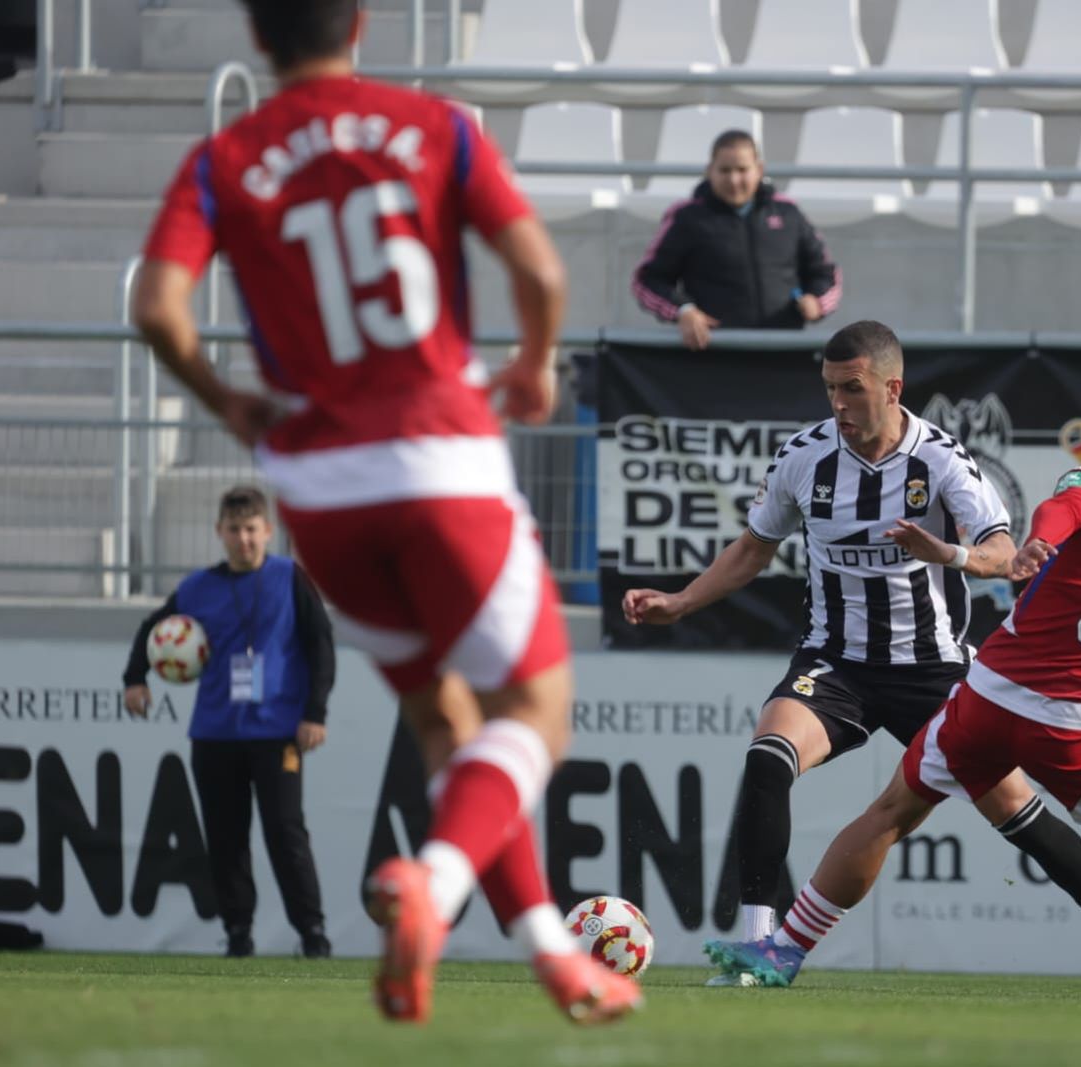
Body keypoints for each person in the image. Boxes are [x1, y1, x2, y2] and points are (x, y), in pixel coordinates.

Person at [131, 0, 638, 1026]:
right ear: (360, 21)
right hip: (438, 458)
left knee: (449, 728)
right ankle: (434, 887)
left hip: (320, 496)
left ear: (257, 34)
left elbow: (156, 306)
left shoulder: (221, 158)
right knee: (532, 711)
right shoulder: (434, 125)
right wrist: (535, 363)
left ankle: (552, 953)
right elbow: (538, 268)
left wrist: (222, 395)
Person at [624, 321, 1081, 995]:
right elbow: (752, 549)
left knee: (1015, 812)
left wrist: (949, 554)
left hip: (936, 671)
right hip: (837, 664)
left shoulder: (941, 460)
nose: (839, 405)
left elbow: (1003, 551)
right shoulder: (804, 457)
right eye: (828, 389)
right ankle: (756, 947)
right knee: (768, 755)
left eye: (852, 389)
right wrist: (679, 603)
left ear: (891, 386)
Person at [704, 393, 1081, 1004]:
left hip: (987, 697)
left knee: (890, 813)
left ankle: (786, 948)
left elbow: (1063, 509)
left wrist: (1038, 545)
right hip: (1075, 724)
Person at [123, 485, 333, 960]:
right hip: (215, 733)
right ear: (219, 532)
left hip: (278, 731)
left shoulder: (289, 578)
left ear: (268, 531)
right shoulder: (198, 588)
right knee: (225, 836)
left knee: (285, 830)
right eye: (234, 530)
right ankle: (238, 931)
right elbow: (151, 629)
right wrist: (135, 678)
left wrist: (314, 713)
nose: (244, 539)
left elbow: (321, 645)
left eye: (252, 530)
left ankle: (313, 933)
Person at [632, 129, 841, 350]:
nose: (733, 180)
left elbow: (826, 273)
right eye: (724, 170)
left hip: (783, 354)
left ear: (759, 170)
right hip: (715, 356)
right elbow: (646, 281)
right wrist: (683, 311)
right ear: (709, 171)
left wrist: (817, 302)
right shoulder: (686, 217)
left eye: (742, 170)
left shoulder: (788, 213)